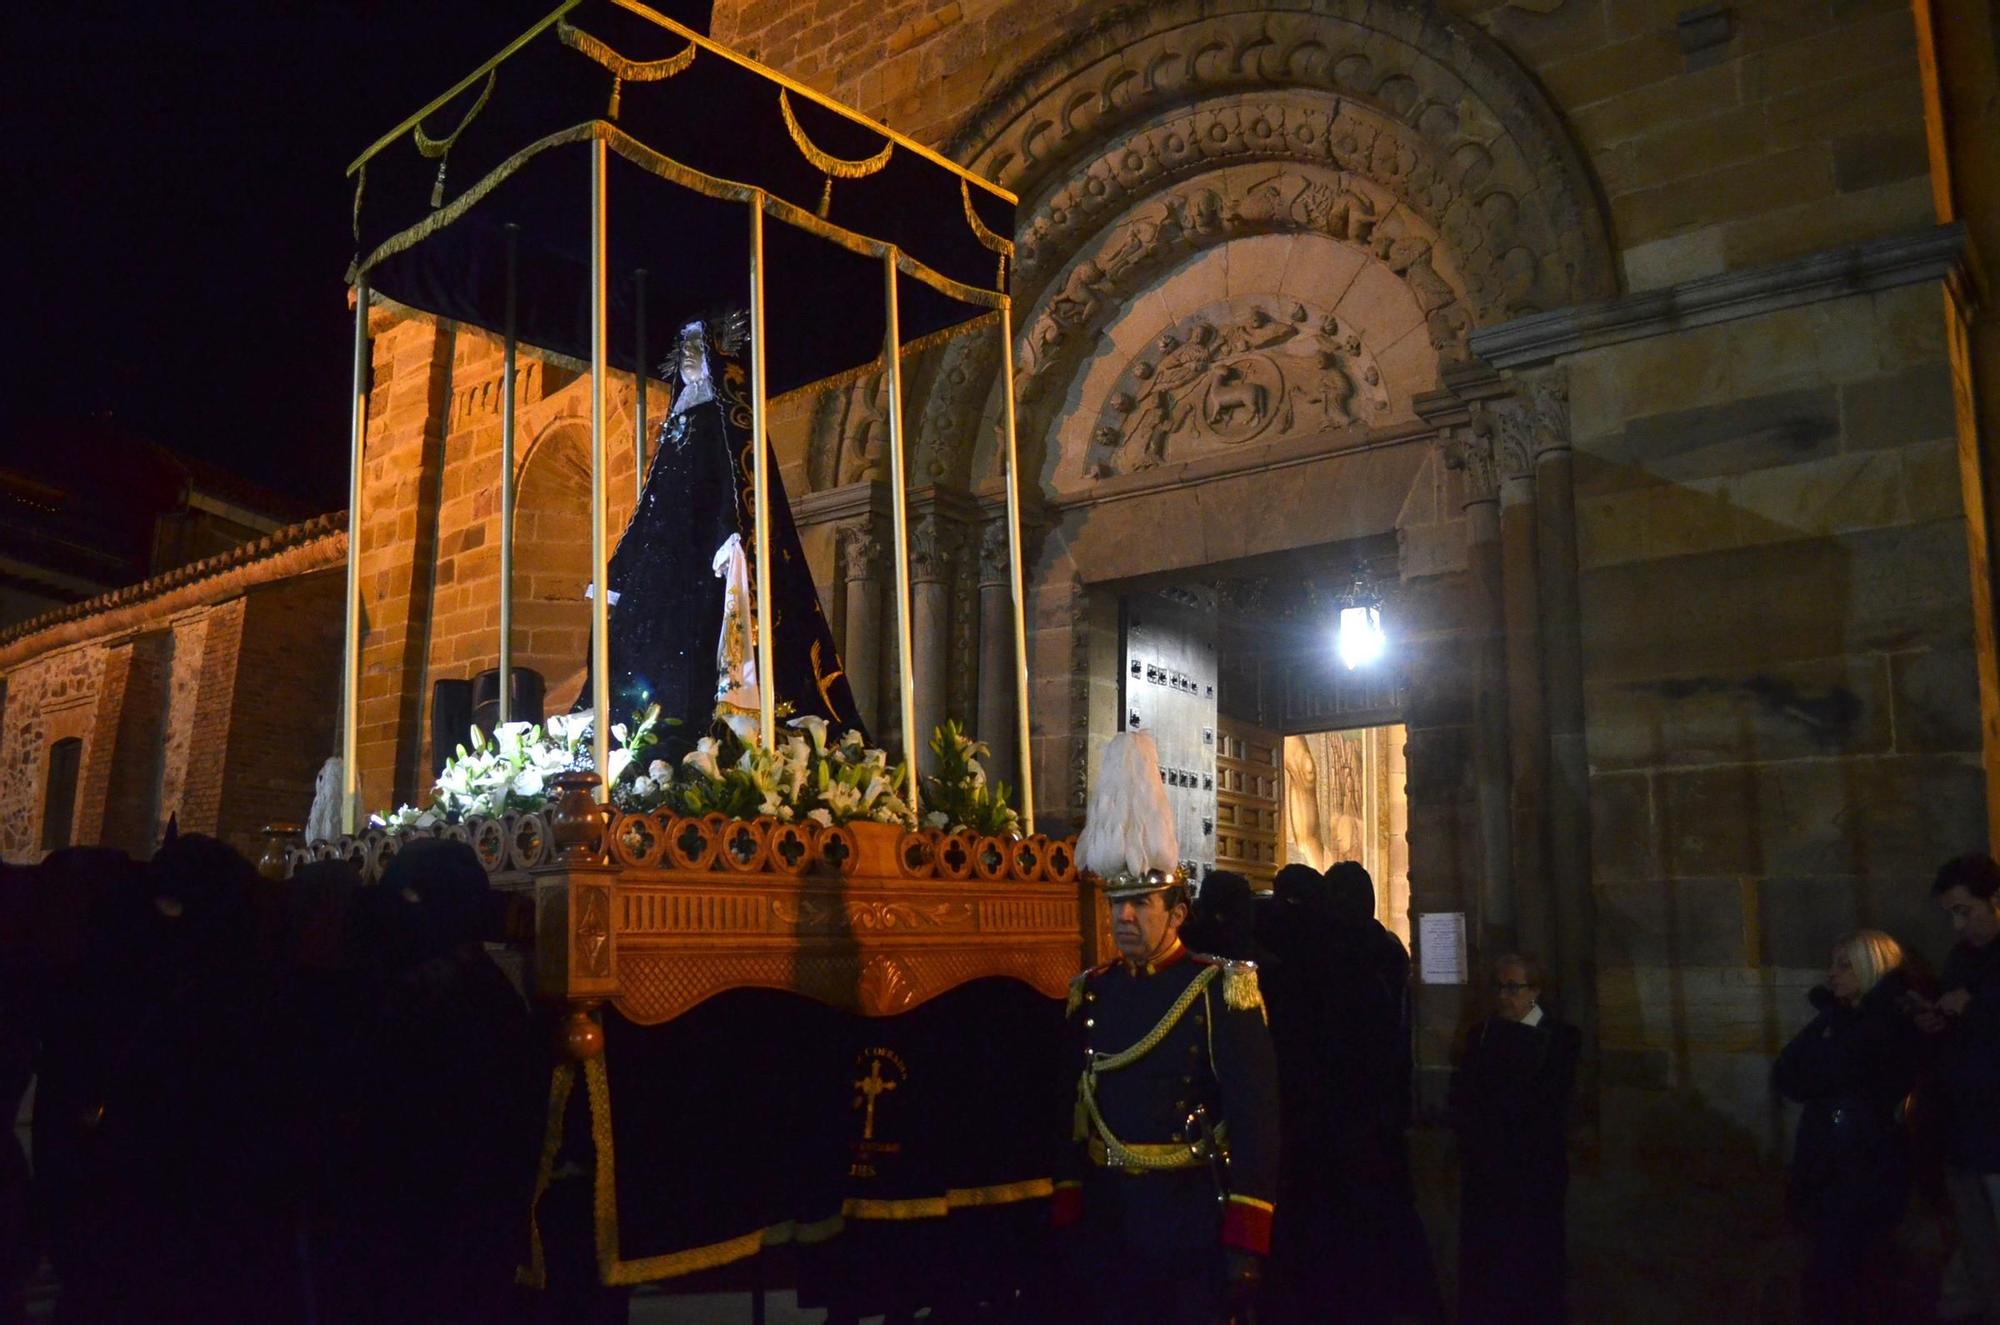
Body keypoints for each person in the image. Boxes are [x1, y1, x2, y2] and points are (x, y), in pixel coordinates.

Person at [1052, 731, 1281, 1325]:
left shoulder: (1219, 990)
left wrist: (1247, 1238)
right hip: (1110, 1215)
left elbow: (1256, 1121)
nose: (1123, 917)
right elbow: (1074, 1110)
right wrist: (1070, 1201)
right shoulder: (1093, 990)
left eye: (1140, 905)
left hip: (1187, 1218)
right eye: (1114, 905)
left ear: (1176, 912)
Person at [576, 312, 865, 755]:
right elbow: (653, 504)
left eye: (697, 348)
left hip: (706, 561)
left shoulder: (728, 423)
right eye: (684, 349)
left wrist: (732, 535)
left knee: (700, 648)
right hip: (667, 566)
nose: (688, 358)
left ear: (716, 354)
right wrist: (619, 569)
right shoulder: (676, 424)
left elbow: (739, 482)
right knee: (635, 652)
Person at [1774, 929, 1927, 1324]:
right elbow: (1787, 1071)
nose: (1832, 974)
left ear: (1870, 968)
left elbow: (1854, 1078)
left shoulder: (1888, 1023)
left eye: (1845, 965)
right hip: (1826, 1156)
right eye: (1832, 964)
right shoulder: (1835, 1017)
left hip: (1863, 1162)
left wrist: (1826, 1080)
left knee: (1849, 1270)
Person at [1449, 953, 1580, 1325]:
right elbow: (1462, 1091)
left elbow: (1552, 1102)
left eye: (1513, 987)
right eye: (1499, 987)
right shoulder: (1482, 1034)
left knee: (1533, 1258)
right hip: (1487, 1166)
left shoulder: (1562, 1038)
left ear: (1534, 991)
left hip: (1533, 1167)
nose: (1504, 996)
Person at [1919, 854, 2000, 1321]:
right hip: (1964, 1126)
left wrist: (1978, 1006)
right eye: (1951, 913)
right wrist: (1938, 1018)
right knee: (1975, 1243)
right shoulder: (1963, 956)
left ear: (1995, 901)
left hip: (1995, 1128)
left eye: (1964, 911)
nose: (1957, 925)